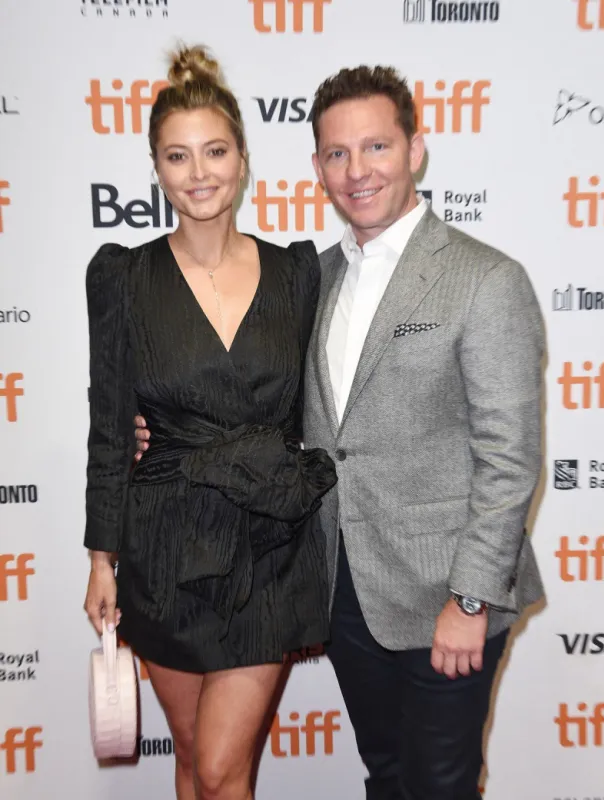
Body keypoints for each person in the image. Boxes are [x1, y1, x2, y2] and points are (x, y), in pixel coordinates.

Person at [136, 64, 545, 799]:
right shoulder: (308, 278)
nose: (356, 171)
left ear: (415, 150)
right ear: (316, 166)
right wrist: (158, 433)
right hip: (342, 589)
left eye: (376, 148)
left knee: (441, 786)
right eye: (336, 154)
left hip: (446, 597)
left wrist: (472, 600)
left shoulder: (485, 279)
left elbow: (508, 458)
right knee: (384, 777)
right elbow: (262, 406)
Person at [83, 45, 336, 800]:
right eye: (177, 156)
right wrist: (101, 556)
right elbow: (106, 424)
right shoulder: (123, 277)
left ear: (243, 159)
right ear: (156, 169)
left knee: (225, 768)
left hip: (266, 543)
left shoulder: (296, 274)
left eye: (215, 151)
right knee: (193, 761)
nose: (199, 173)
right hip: (163, 545)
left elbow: (322, 403)